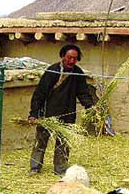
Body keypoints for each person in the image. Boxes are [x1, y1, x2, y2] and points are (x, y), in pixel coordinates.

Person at [28, 44, 94, 175]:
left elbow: (83, 93)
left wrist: (90, 106)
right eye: (69, 57)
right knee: (40, 142)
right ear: (62, 56)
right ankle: (35, 168)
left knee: (63, 144)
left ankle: (60, 170)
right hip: (47, 115)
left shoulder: (78, 73)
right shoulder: (52, 71)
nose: (71, 61)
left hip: (67, 114)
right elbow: (39, 93)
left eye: (75, 58)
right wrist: (34, 113)